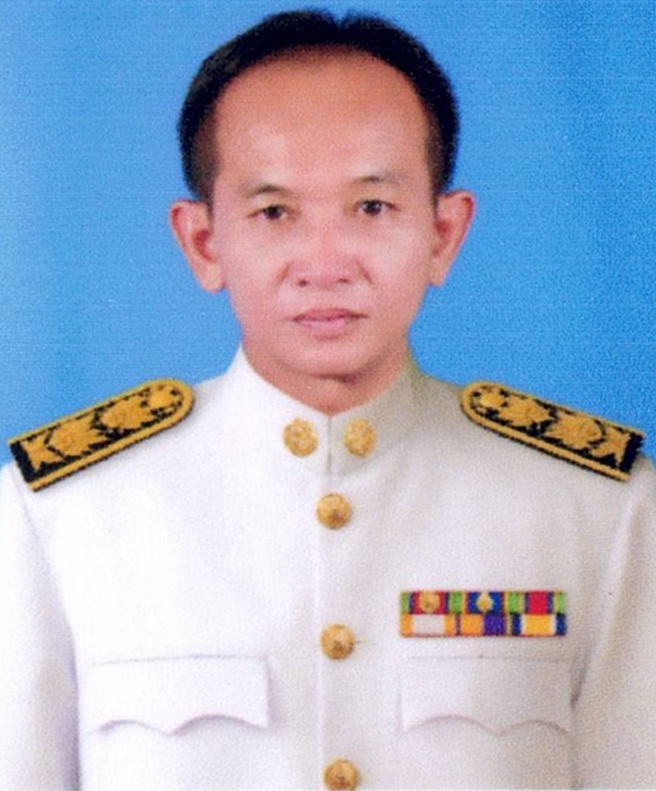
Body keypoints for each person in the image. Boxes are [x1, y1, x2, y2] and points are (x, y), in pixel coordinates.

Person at [1, 9, 655, 790]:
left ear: (443, 233)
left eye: (371, 207)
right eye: (274, 212)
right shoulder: (60, 514)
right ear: (203, 242)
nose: (325, 263)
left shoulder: (598, 508)